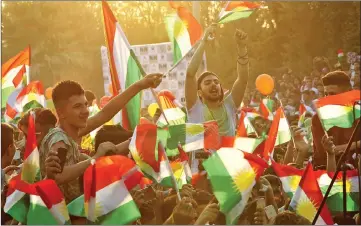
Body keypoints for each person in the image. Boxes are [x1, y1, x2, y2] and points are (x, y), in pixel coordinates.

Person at [40, 74, 162, 203]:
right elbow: (59, 176)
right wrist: (94, 159)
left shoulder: (72, 131)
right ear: (61, 113)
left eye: (85, 105)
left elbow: (104, 114)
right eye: (77, 106)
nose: (85, 111)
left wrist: (140, 85)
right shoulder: (59, 139)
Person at [185, 25, 250, 136]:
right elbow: (190, 75)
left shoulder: (229, 106)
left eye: (216, 82)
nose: (213, 85)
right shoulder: (195, 108)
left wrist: (242, 47)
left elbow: (243, 79)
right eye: (207, 83)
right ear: (199, 92)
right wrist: (204, 42)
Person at [312, 71, 360, 169]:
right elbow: (324, 152)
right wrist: (358, 144)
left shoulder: (358, 113)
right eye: (326, 94)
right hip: (327, 172)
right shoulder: (318, 118)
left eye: (332, 93)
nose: (328, 98)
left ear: (348, 92)